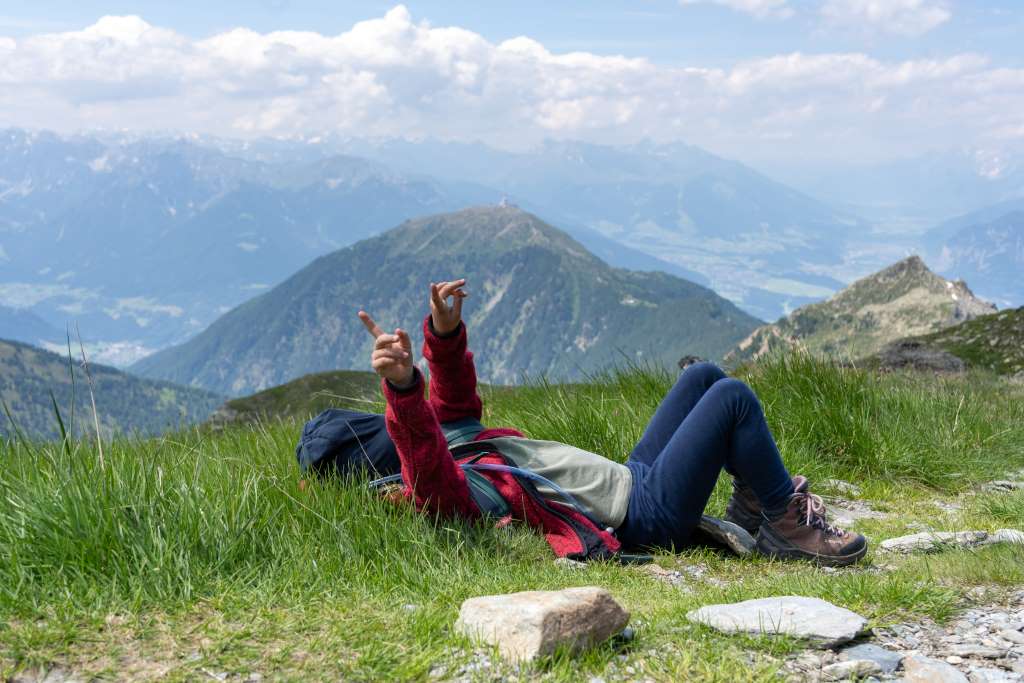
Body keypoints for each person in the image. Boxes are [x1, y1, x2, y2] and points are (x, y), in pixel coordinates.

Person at [356, 278, 867, 566]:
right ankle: (783, 522)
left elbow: (454, 407)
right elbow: (428, 467)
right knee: (732, 397)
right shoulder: (452, 483)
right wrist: (402, 390)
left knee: (705, 376)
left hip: (630, 477)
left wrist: (444, 335)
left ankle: (752, 500)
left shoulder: (463, 445)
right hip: (644, 514)